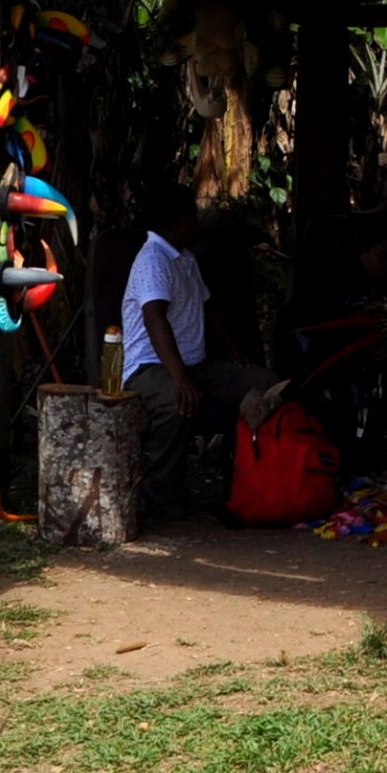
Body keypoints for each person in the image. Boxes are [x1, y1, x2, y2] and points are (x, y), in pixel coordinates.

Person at [122, 181, 279, 526]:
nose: (198, 222)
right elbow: (154, 317)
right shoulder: (153, 259)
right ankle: (160, 498)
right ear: (179, 219)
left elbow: (209, 307)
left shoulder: (185, 258)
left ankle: (252, 487)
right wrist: (179, 378)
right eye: (193, 215)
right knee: (175, 404)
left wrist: (237, 353)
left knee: (266, 384)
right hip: (150, 368)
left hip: (195, 365)